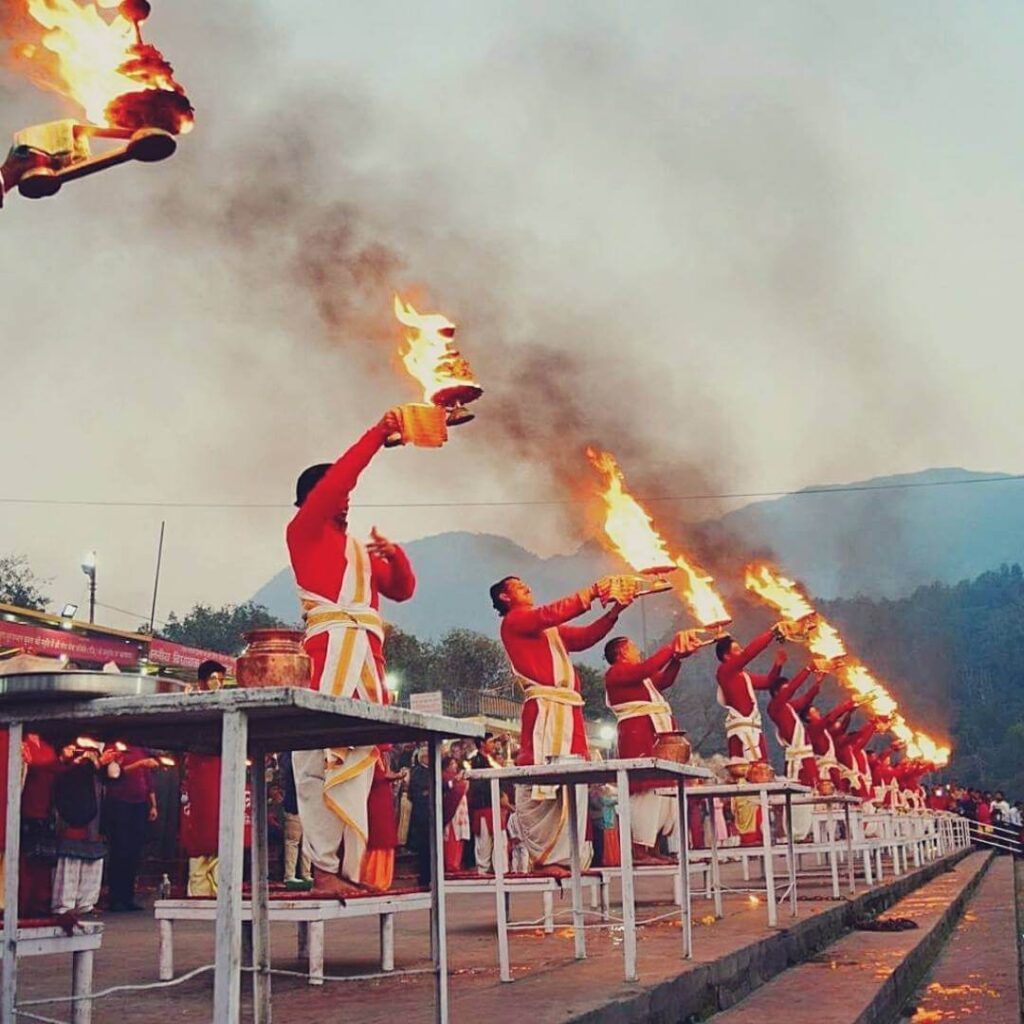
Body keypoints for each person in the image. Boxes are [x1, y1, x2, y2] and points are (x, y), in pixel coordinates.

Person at [287, 410, 415, 897]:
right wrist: (380, 433)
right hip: (325, 658)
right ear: (316, 499)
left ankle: (348, 870)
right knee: (318, 764)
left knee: (359, 763)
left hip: (365, 662)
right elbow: (341, 475)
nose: (346, 502)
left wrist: (394, 554)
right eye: (339, 495)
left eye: (348, 498)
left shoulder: (358, 552)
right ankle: (321, 870)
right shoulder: (302, 531)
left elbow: (402, 590)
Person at [490, 573, 631, 874]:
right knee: (545, 780)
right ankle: (544, 859)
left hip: (569, 709)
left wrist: (615, 611)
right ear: (505, 597)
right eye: (518, 585)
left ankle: (571, 858)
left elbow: (585, 637)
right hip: (546, 709)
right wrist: (592, 591)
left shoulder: (548, 629)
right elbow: (550, 613)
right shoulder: (515, 620)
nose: (528, 586)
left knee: (574, 782)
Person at [603, 630, 703, 863]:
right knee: (646, 790)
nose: (638, 651)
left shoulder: (641, 679)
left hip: (654, 733)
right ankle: (639, 849)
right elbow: (646, 668)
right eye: (633, 647)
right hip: (638, 735)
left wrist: (676, 658)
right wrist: (672, 647)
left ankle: (653, 847)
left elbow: (663, 680)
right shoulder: (616, 673)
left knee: (662, 792)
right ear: (621, 652)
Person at [180, 660, 227, 896]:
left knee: (221, 829)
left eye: (221, 679)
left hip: (221, 771)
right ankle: (198, 890)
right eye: (214, 678)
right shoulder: (190, 704)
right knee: (199, 832)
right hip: (199, 772)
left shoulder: (228, 704)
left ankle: (220, 889)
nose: (219, 683)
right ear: (202, 681)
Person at [767, 662, 826, 840]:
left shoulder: (789, 707)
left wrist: (817, 683)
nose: (789, 692)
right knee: (798, 797)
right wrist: (807, 668)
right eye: (785, 689)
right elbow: (793, 689)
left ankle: (808, 831)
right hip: (797, 759)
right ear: (777, 692)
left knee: (811, 792)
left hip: (806, 757)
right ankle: (796, 833)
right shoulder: (774, 708)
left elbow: (805, 699)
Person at [714, 628, 789, 763]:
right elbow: (748, 654)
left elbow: (769, 682)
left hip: (753, 728)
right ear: (727, 656)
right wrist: (771, 633)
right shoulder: (724, 671)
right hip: (742, 729)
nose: (741, 651)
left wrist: (777, 665)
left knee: (762, 767)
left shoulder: (743, 676)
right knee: (750, 770)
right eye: (737, 649)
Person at [51, 743, 108, 917]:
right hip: (73, 817)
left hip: (95, 821)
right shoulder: (70, 769)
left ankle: (86, 902)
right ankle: (65, 904)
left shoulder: (98, 772)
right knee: (70, 864)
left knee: (92, 863)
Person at [105, 743, 158, 912]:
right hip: (120, 803)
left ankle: (128, 896)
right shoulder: (116, 748)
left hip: (139, 803)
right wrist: (140, 764)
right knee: (120, 850)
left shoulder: (139, 750)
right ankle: (116, 898)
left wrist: (153, 805)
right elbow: (116, 774)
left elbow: (148, 780)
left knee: (134, 851)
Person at [468, 734, 509, 875]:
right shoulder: (476, 761)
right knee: (484, 844)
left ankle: (501, 871)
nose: (492, 744)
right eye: (490, 742)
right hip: (484, 806)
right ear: (482, 743)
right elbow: (480, 786)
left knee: (500, 840)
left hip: (494, 806)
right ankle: (483, 871)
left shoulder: (490, 759)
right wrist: (498, 793)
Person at [362, 747, 403, 890]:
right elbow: (375, 777)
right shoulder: (369, 755)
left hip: (385, 800)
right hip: (374, 801)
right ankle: (372, 878)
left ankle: (384, 878)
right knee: (377, 838)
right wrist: (394, 776)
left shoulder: (383, 757)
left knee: (386, 838)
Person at [279, 752, 311, 885]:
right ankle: (294, 874)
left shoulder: (287, 759)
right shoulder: (296, 761)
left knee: (299, 842)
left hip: (297, 804)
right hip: (298, 804)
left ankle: (299, 874)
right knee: (296, 841)